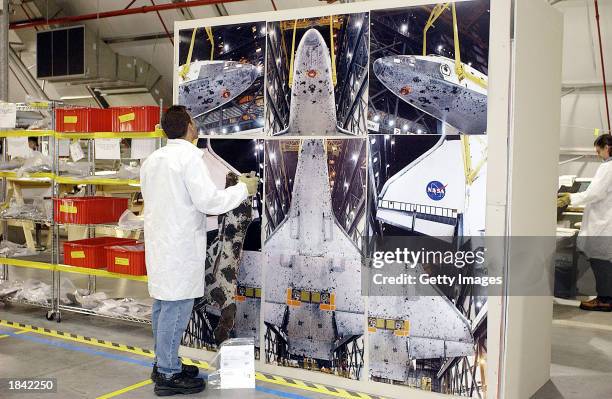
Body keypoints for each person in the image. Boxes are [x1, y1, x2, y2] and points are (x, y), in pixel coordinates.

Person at [140, 105, 258, 396]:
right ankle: (168, 375)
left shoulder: (153, 159)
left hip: (161, 243)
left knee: (162, 306)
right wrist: (243, 189)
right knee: (177, 307)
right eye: (194, 121)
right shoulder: (189, 160)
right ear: (189, 126)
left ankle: (164, 362)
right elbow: (209, 203)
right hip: (179, 246)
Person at [558, 134, 612, 311]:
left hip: (603, 225)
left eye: (599, 150)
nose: (598, 154)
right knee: (604, 262)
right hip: (605, 222)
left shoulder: (608, 167)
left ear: (607, 147)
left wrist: (569, 198)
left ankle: (605, 299)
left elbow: (593, 193)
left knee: (600, 262)